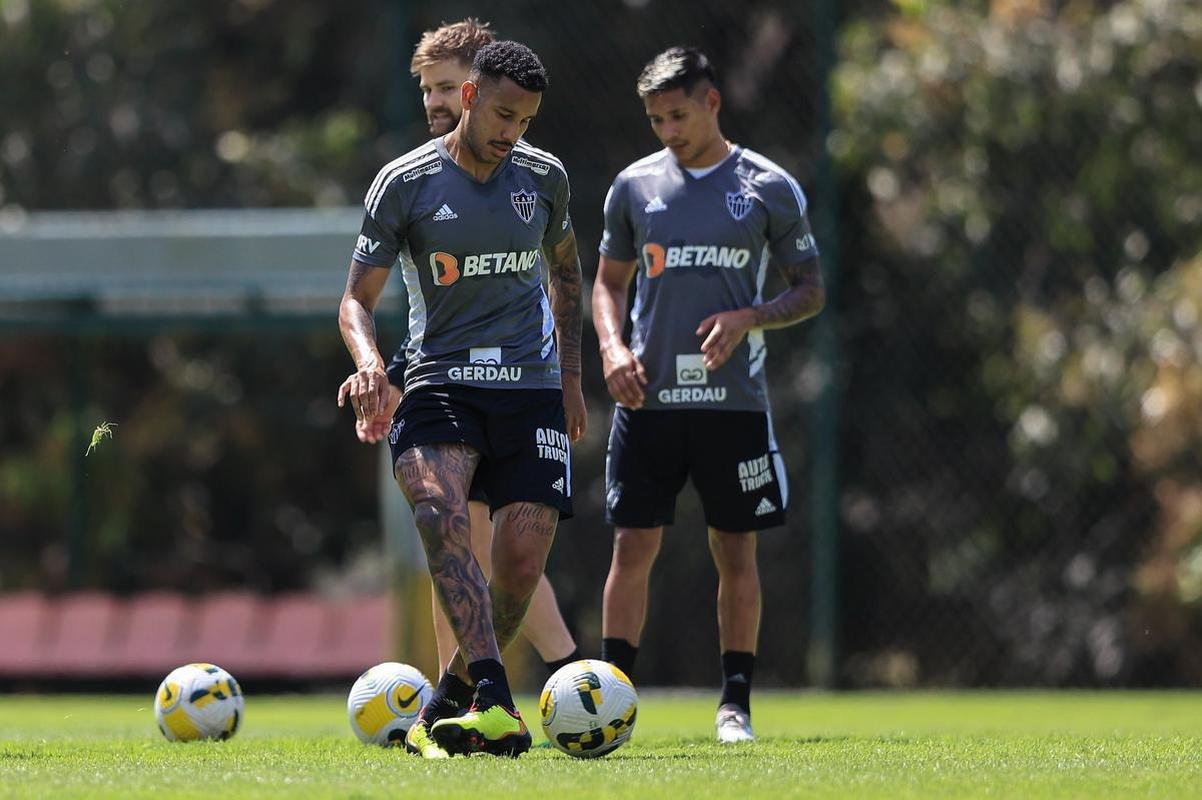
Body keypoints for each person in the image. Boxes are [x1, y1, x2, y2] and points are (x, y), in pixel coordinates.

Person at [338, 40, 586, 758]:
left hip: (532, 390)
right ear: (471, 97)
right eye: (504, 114)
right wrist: (370, 364)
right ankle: (496, 700)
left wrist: (571, 378)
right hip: (440, 383)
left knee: (518, 564)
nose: (513, 132)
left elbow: (568, 279)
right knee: (436, 512)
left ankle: (444, 702)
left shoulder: (544, 179)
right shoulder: (404, 183)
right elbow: (356, 299)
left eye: (527, 121)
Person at [592, 46, 824, 744]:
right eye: (656, 118)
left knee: (736, 551)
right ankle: (611, 700)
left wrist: (749, 317)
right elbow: (608, 283)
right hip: (647, 402)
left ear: (712, 102)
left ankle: (735, 704)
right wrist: (612, 348)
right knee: (631, 546)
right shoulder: (634, 187)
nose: (667, 129)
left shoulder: (766, 186)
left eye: (679, 114)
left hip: (733, 403)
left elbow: (810, 289)